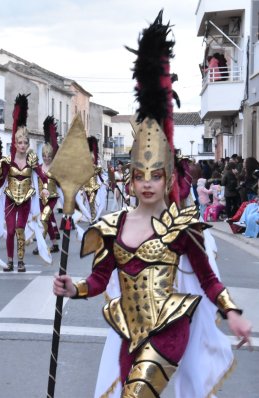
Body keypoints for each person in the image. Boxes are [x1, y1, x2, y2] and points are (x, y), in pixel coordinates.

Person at [53, 12, 252, 397]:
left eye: (156, 175)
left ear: (168, 178)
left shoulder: (182, 228)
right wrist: (72, 288)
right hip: (129, 330)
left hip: (169, 330)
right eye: (141, 176)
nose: (147, 184)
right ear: (132, 179)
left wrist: (233, 313)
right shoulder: (114, 226)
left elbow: (209, 280)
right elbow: (98, 281)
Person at [0, 94, 50, 272]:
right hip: (9, 200)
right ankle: (10, 260)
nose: (22, 145)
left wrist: (45, 189)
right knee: (9, 231)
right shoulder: (7, 161)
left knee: (19, 230)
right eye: (19, 142)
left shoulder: (32, 159)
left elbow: (42, 176)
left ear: (28, 144)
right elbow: (0, 181)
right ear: (15, 143)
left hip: (26, 201)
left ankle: (21, 261)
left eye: (25, 142)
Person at [34, 116, 61, 255]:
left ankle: (41, 245)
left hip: (52, 197)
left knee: (44, 218)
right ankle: (55, 244)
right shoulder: (38, 167)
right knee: (48, 220)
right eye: (44, 155)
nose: (46, 157)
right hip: (40, 197)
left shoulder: (56, 168)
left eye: (49, 155)